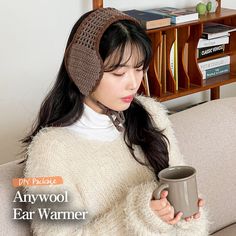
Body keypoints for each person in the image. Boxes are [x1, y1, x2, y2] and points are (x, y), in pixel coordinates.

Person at [22, 7, 208, 235]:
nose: (133, 83)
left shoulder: (149, 113)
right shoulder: (50, 150)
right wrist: (141, 215)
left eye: (139, 69)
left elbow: (188, 216)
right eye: (119, 73)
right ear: (83, 72)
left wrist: (185, 216)